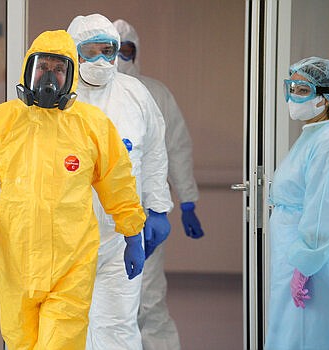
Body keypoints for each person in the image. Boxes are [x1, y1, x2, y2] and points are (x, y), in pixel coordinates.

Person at [0, 30, 147, 350]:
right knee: (19, 342)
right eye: (43, 67)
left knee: (60, 343)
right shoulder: (1, 121)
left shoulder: (92, 125)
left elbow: (118, 181)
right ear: (29, 69)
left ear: (71, 77)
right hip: (15, 262)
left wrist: (132, 233)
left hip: (71, 261)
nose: (49, 77)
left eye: (59, 69)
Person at [67, 14, 173, 350]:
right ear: (73, 52)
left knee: (120, 324)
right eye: (90, 51)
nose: (100, 60)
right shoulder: (59, 99)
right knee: (70, 324)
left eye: (108, 51)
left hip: (123, 233)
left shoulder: (136, 94)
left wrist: (158, 209)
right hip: (67, 233)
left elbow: (155, 153)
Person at [113, 18, 205, 350]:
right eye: (114, 48)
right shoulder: (87, 95)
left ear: (137, 52)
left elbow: (176, 147)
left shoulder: (155, 92)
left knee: (148, 298)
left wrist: (187, 201)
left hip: (142, 213)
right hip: (95, 217)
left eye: (127, 49)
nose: (120, 56)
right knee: (101, 303)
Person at [265, 56, 329, 350]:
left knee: (306, 334)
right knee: (289, 331)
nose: (294, 97)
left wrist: (305, 264)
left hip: (310, 260)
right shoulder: (314, 134)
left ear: (326, 98)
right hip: (293, 253)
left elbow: (323, 208)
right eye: (292, 88)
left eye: (303, 90)